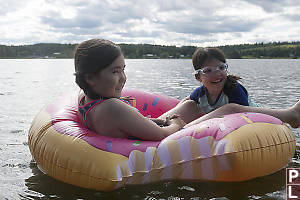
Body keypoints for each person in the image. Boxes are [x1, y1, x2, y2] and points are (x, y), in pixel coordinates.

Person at [158, 47, 300, 129]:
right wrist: (175, 112)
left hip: (256, 121)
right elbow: (186, 101)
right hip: (220, 123)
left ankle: (290, 115)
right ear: (198, 77)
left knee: (230, 108)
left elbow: (244, 118)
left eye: (221, 67)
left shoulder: (234, 89)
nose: (217, 73)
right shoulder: (200, 94)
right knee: (188, 103)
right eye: (208, 70)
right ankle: (155, 123)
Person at [74, 38, 186, 141]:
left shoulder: (84, 98)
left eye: (123, 70)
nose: (123, 78)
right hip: (148, 155)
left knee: (188, 104)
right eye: (115, 71)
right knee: (190, 106)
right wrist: (175, 124)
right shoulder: (112, 107)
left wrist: (162, 121)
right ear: (90, 78)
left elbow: (130, 123)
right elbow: (163, 135)